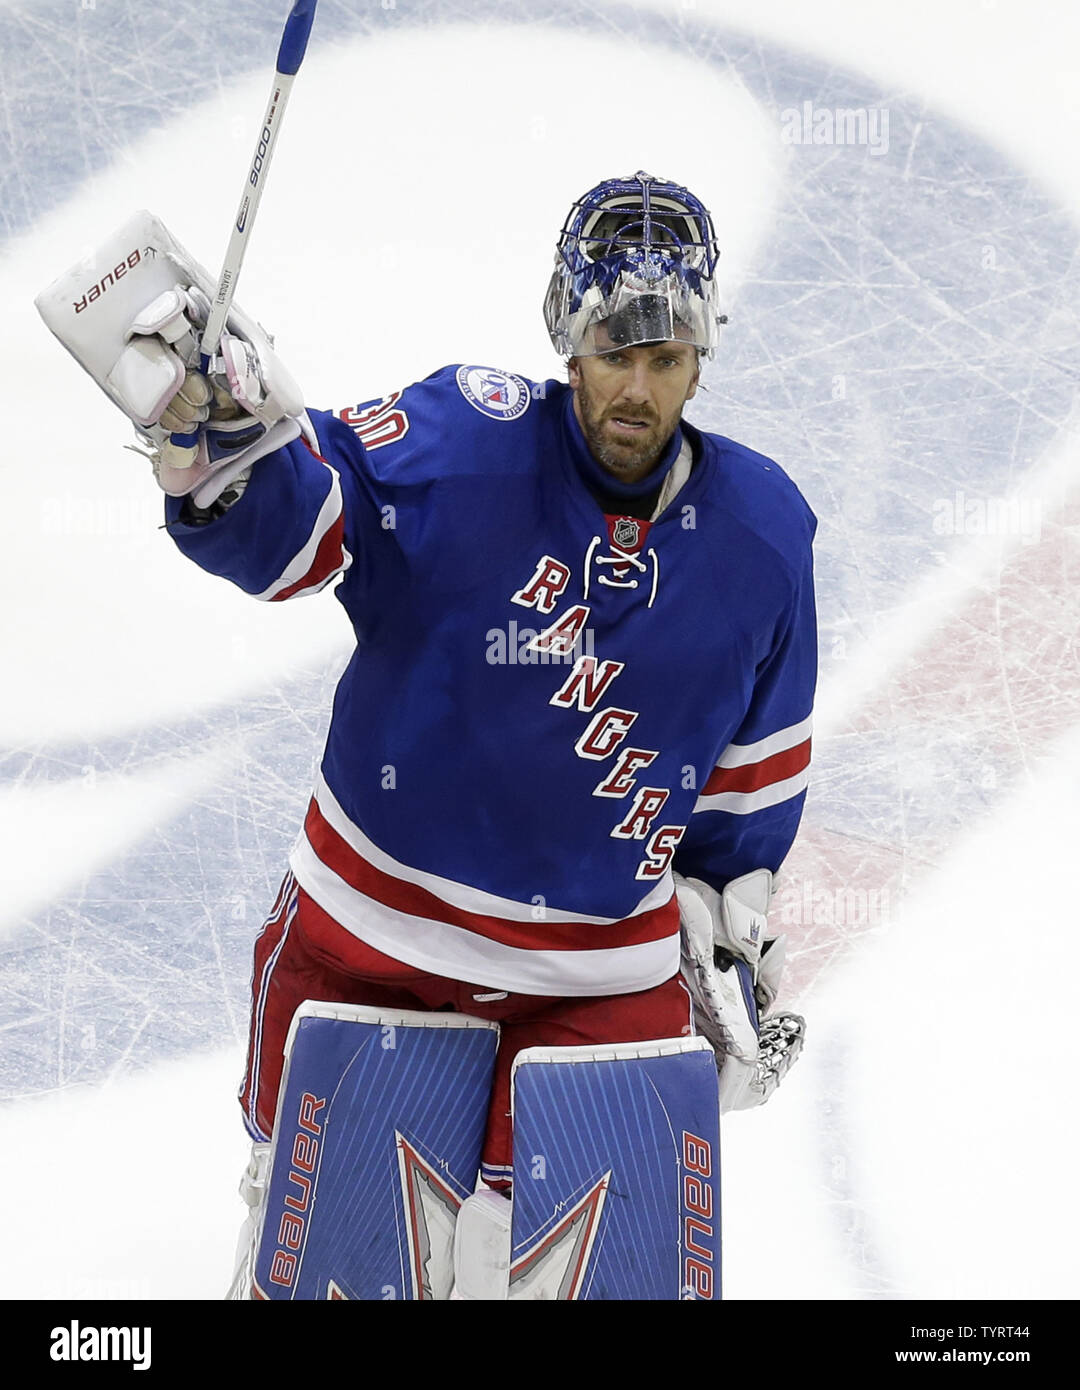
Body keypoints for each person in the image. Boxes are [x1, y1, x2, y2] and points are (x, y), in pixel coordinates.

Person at [40, 172, 817, 1298]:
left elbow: (750, 782)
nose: (636, 388)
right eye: (613, 350)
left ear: (705, 353)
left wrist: (726, 922)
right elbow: (298, 532)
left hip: (598, 972)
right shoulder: (464, 439)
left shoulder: (762, 532)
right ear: (566, 334)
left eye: (665, 355)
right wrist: (221, 453)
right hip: (372, 938)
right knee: (329, 1257)